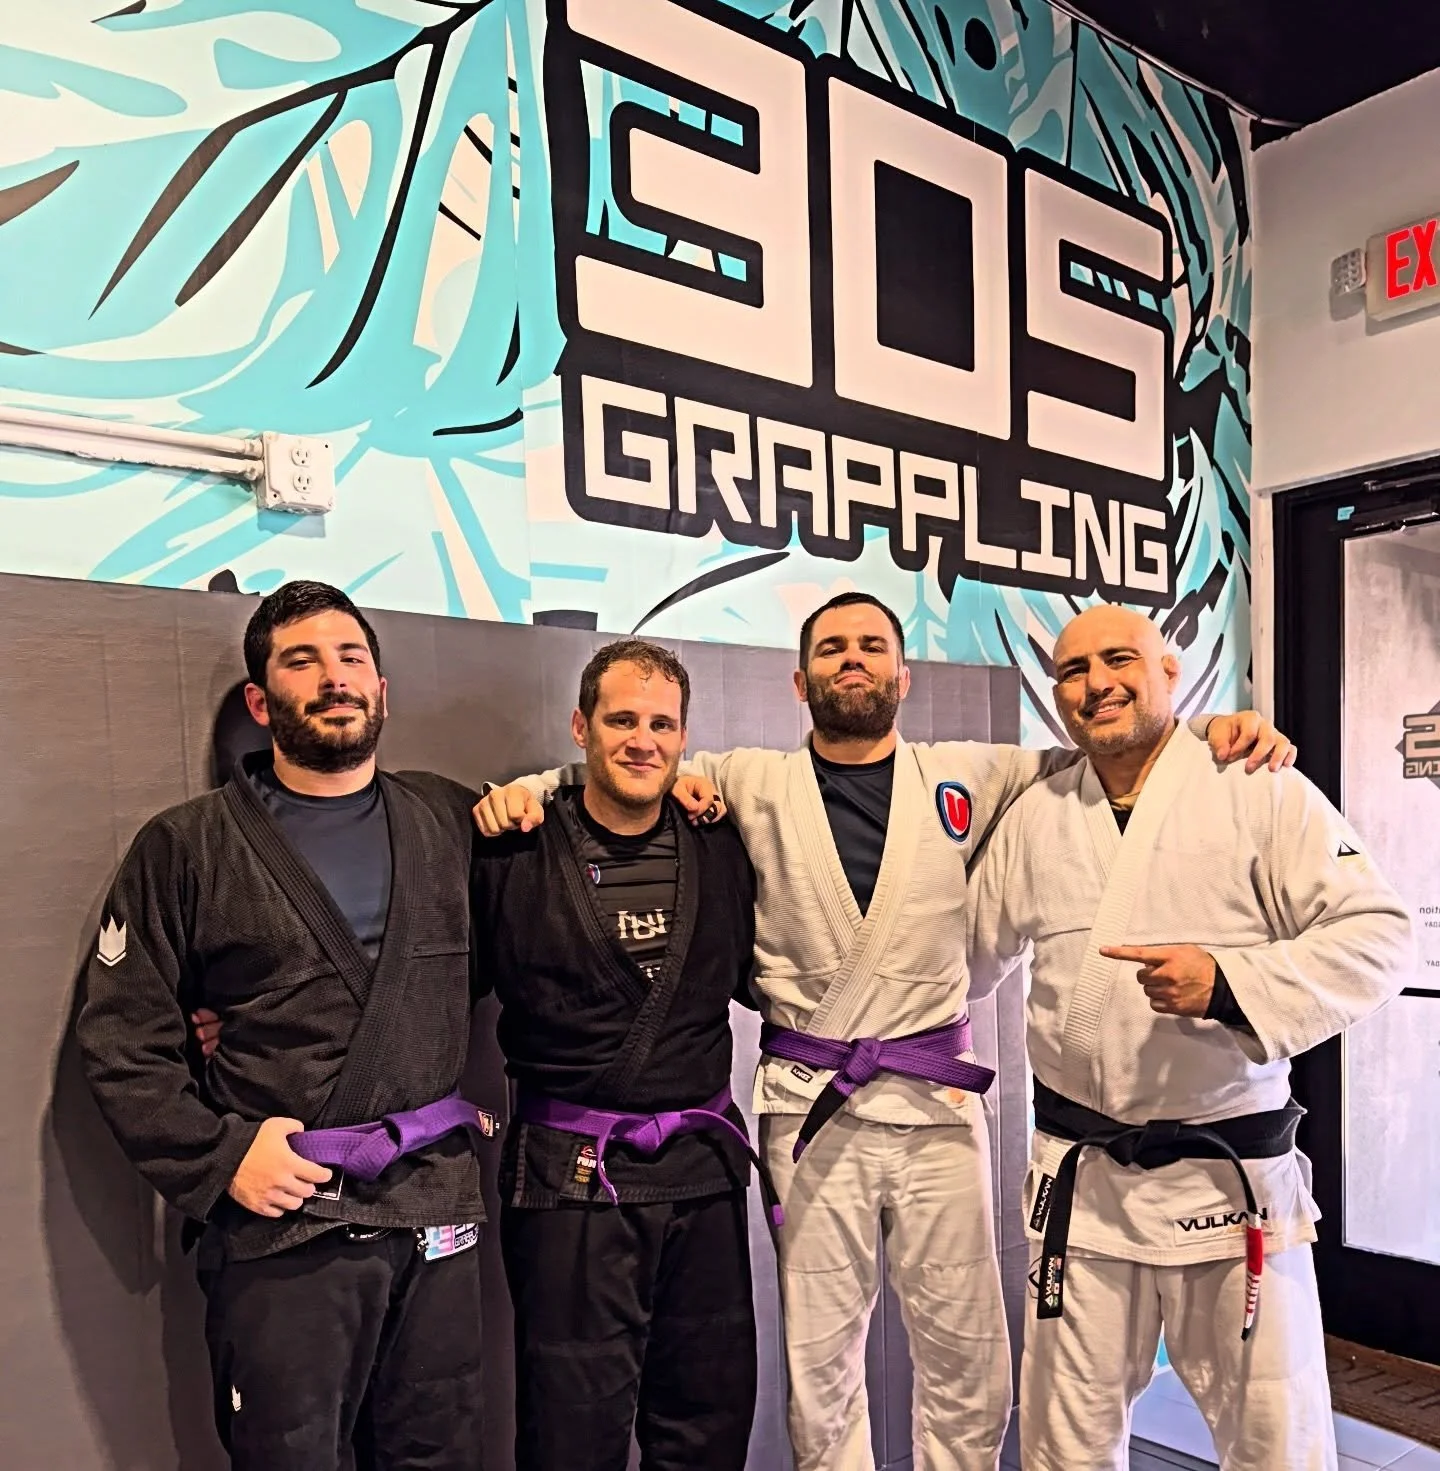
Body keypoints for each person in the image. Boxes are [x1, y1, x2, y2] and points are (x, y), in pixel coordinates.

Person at [474, 590, 1294, 1471]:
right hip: (811, 1107)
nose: (852, 659)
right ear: (801, 681)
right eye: (831, 648)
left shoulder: (971, 771)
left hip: (937, 1105)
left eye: (871, 645)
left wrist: (1205, 733)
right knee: (819, 1361)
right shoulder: (749, 779)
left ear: (903, 676)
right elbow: (623, 766)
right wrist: (527, 790)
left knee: (967, 1353)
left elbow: (1107, 748)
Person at [966, 604, 1415, 1471]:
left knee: (1276, 1443)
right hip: (1085, 1188)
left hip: (1230, 1184)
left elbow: (1381, 935)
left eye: (1119, 659)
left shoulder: (1255, 784)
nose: (1096, 683)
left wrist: (1230, 983)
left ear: (1170, 673)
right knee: (1064, 1443)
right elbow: (959, 957)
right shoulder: (1038, 813)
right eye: (1072, 670)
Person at [76, 581, 491, 1471]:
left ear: (382, 690)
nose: (333, 678)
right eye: (302, 662)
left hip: (434, 1208)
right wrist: (222, 1155)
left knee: (442, 1455)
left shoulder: (451, 822)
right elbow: (122, 1040)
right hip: (285, 1223)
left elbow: (523, 940)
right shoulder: (188, 846)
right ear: (262, 702)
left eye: (351, 658)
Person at [474, 638, 765, 1471]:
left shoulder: (720, 843)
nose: (643, 740)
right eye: (622, 720)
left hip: (702, 1176)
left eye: (662, 724)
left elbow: (783, 965)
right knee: (571, 1433)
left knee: (708, 1420)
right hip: (571, 1178)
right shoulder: (516, 848)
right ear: (581, 727)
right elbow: (431, 982)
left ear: (685, 739)